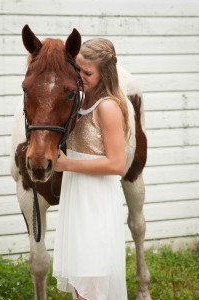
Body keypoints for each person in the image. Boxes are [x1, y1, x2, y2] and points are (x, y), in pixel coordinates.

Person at [52, 38, 128, 300]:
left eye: (88, 73)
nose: (80, 76)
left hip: (95, 203)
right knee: (79, 282)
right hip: (77, 198)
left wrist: (66, 164)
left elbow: (118, 164)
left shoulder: (107, 107)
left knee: (91, 283)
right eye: (78, 70)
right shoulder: (79, 101)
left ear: (104, 74)